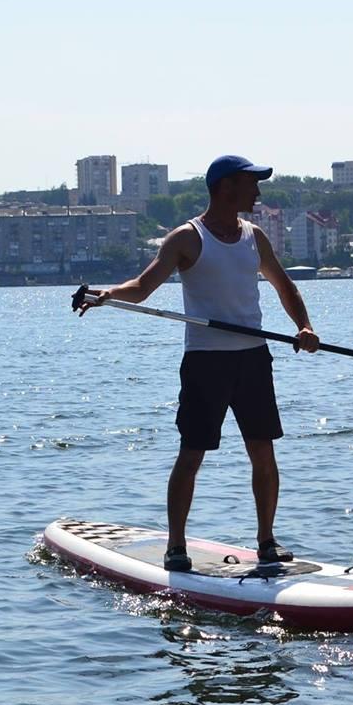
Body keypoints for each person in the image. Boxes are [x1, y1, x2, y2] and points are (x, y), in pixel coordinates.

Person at [77, 154, 319, 572]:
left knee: (263, 451)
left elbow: (285, 286)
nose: (258, 192)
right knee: (192, 454)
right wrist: (107, 295)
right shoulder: (186, 238)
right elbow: (143, 286)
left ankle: (267, 541)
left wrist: (304, 327)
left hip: (253, 359)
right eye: (251, 184)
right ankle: (175, 545)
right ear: (227, 187)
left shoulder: (254, 237)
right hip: (206, 362)